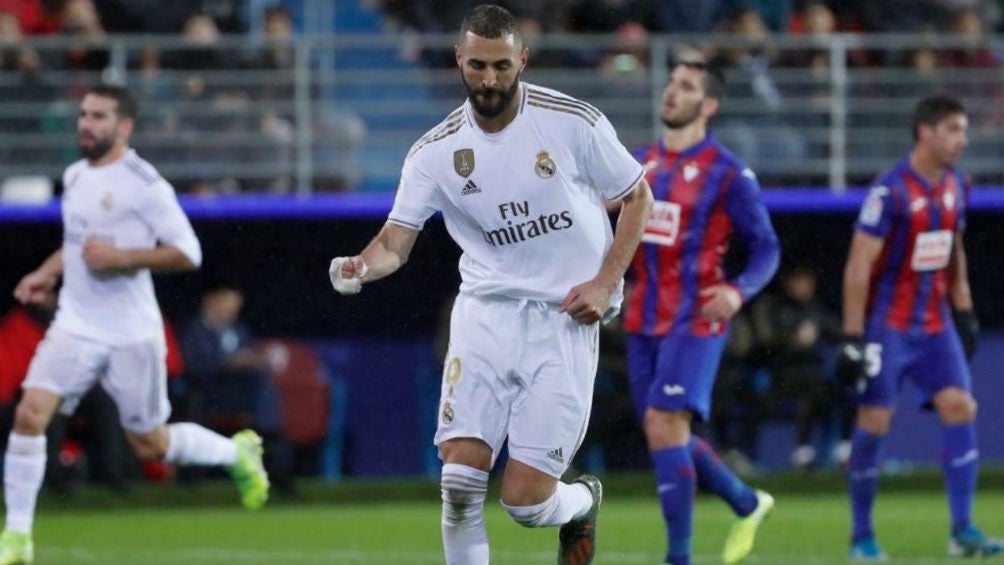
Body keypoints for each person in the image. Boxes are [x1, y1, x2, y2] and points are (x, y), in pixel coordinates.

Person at [327, 5, 653, 565]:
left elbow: (638, 197)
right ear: (459, 58)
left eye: (502, 65)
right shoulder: (434, 152)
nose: (490, 79)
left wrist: (605, 282)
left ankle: (579, 502)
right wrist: (361, 264)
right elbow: (394, 242)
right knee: (458, 488)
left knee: (525, 504)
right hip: (484, 316)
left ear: (522, 59)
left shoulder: (572, 122)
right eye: (477, 65)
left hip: (563, 317)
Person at [0, 84, 269, 565]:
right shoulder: (76, 175)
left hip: (130, 333)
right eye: (84, 114)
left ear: (124, 127)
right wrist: (46, 272)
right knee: (29, 415)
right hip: (76, 324)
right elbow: (78, 244)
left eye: (99, 116)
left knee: (150, 442)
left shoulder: (145, 184)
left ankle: (237, 455)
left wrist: (122, 256)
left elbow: (188, 252)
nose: (86, 123)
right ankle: (17, 538)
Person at [622, 58, 781, 565]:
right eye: (670, 81)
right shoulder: (637, 163)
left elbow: (766, 249)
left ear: (708, 105)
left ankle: (680, 557)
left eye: (686, 85)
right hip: (642, 314)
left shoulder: (729, 173)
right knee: (662, 430)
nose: (671, 91)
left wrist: (738, 292)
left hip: (697, 315)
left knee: (665, 425)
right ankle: (746, 501)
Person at [838, 94, 1003, 561]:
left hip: (935, 324)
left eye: (964, 130)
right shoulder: (889, 191)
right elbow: (857, 264)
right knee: (875, 420)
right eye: (954, 129)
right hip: (888, 324)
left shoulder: (957, 183)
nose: (962, 140)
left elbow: (954, 246)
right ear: (925, 132)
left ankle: (963, 530)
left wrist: (964, 307)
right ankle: (862, 536)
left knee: (961, 407)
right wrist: (852, 338)